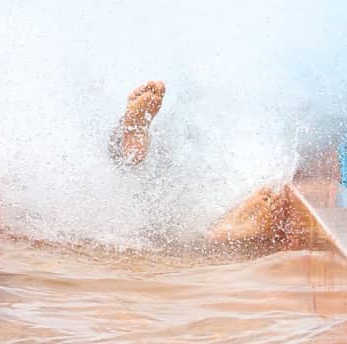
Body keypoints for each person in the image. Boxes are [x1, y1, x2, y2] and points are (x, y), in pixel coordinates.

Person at [110, 80, 291, 249]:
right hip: (196, 189)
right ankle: (220, 231)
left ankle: (129, 138)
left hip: (124, 208)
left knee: (129, 170)